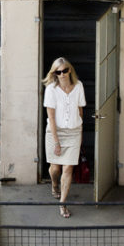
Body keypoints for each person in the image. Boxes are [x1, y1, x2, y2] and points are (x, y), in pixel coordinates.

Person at [42, 56, 86, 218]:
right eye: (58, 72)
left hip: (73, 131)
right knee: (56, 168)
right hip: (55, 131)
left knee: (68, 168)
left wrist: (79, 131)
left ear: (70, 70)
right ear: (54, 73)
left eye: (65, 71)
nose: (62, 74)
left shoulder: (79, 86)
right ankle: (54, 184)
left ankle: (63, 203)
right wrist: (56, 142)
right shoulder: (51, 90)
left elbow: (80, 110)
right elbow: (51, 118)